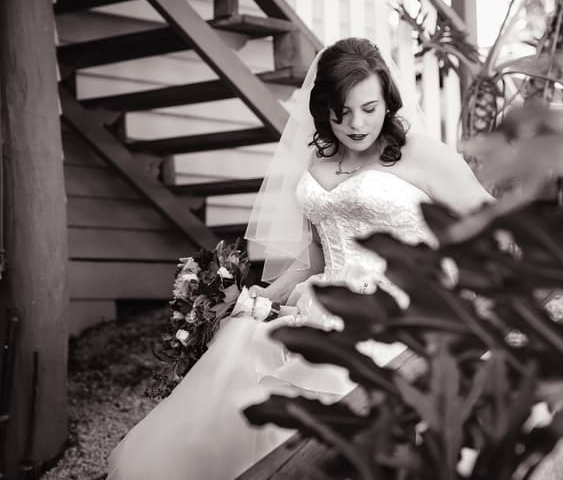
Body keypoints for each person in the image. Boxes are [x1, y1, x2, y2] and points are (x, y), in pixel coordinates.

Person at [106, 37, 492, 480]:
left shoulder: (421, 155)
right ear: (323, 108)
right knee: (239, 354)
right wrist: (258, 298)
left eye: (369, 108)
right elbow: (316, 257)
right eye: (342, 111)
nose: (357, 123)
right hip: (322, 306)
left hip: (398, 315)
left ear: (388, 100)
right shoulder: (318, 159)